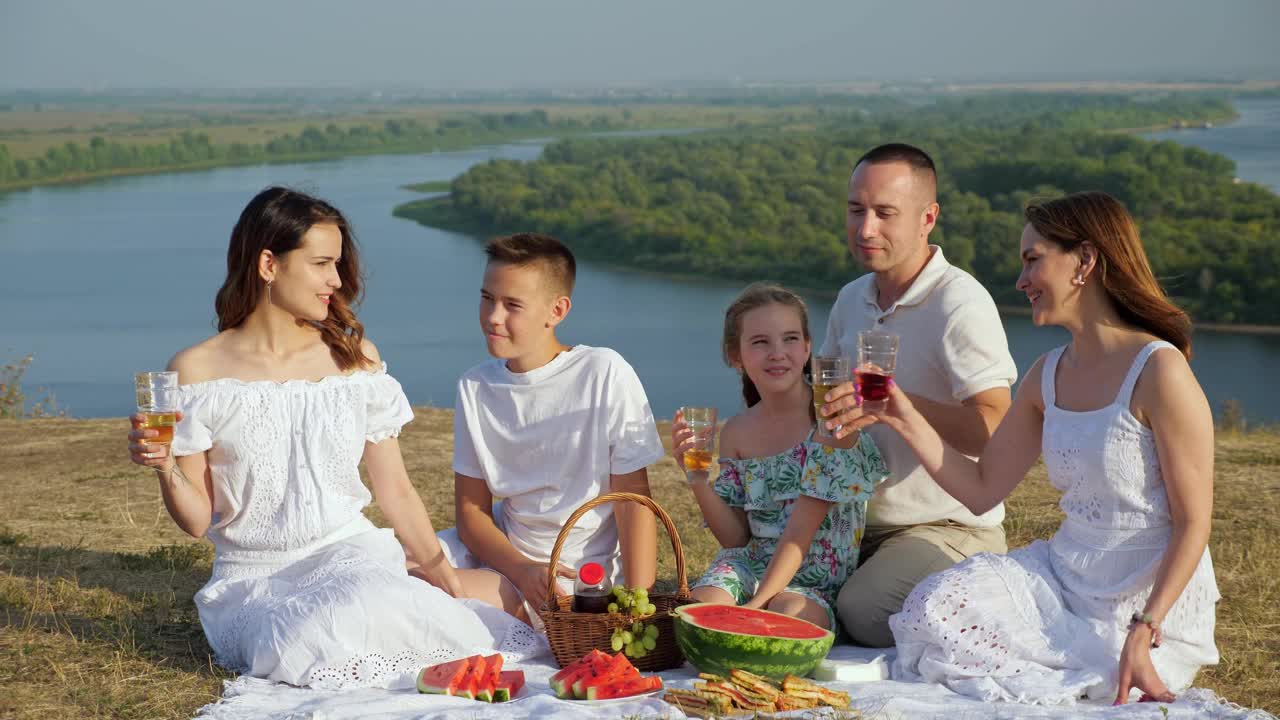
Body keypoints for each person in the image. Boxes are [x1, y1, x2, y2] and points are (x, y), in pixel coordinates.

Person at [127, 187, 545, 689]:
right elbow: (196, 522)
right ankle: (409, 597)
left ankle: (424, 588)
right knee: (299, 636)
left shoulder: (354, 359)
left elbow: (395, 488)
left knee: (376, 604)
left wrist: (442, 574)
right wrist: (166, 466)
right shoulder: (196, 371)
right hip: (255, 579)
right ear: (268, 264)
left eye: (339, 264)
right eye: (322, 263)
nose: (336, 280)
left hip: (350, 555)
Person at [861, 191, 1220, 705]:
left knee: (1076, 676)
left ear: (1086, 262)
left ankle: (1118, 654)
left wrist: (1146, 626)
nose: (1021, 281)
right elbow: (982, 490)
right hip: (1066, 574)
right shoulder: (1046, 375)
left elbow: (1194, 523)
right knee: (934, 605)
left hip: (1145, 596)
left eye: (1033, 260)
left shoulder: (1160, 371)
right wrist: (905, 417)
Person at [818, 143, 1017, 647]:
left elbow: (996, 426)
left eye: (886, 213)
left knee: (860, 612)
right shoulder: (851, 298)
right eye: (856, 209)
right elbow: (826, 405)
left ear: (928, 217)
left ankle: (992, 604)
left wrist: (897, 407)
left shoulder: (959, 301)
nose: (866, 229)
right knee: (781, 591)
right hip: (858, 526)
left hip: (948, 526)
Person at [438, 232, 664, 622]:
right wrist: (521, 568)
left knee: (425, 604)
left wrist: (638, 604)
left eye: (512, 305)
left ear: (556, 311)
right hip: (507, 562)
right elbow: (472, 514)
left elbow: (632, 498)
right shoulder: (475, 386)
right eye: (487, 298)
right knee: (385, 570)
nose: (493, 316)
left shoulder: (603, 372)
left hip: (576, 576)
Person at [671, 283, 889, 630]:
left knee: (780, 620)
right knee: (700, 612)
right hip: (750, 567)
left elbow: (799, 534)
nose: (777, 352)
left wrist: (757, 606)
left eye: (789, 339)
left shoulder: (834, 420)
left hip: (811, 582)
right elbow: (737, 539)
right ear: (735, 355)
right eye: (760, 342)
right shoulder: (737, 432)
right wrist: (697, 478)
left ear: (806, 349)